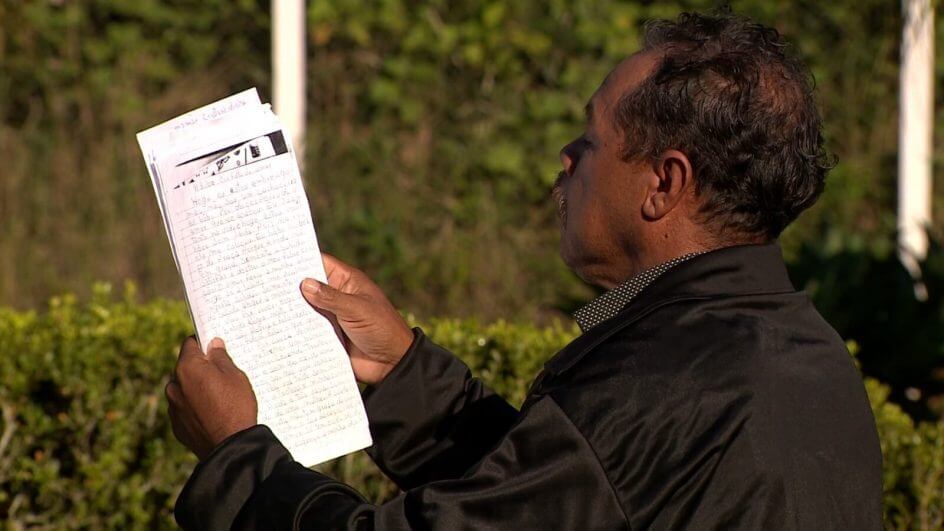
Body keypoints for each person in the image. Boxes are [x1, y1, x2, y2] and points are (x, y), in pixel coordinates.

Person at [164, 10, 883, 530]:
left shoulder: (657, 386)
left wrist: (235, 458)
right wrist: (400, 372)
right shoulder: (807, 354)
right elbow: (554, 497)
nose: (566, 159)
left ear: (663, 184)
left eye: (591, 140)